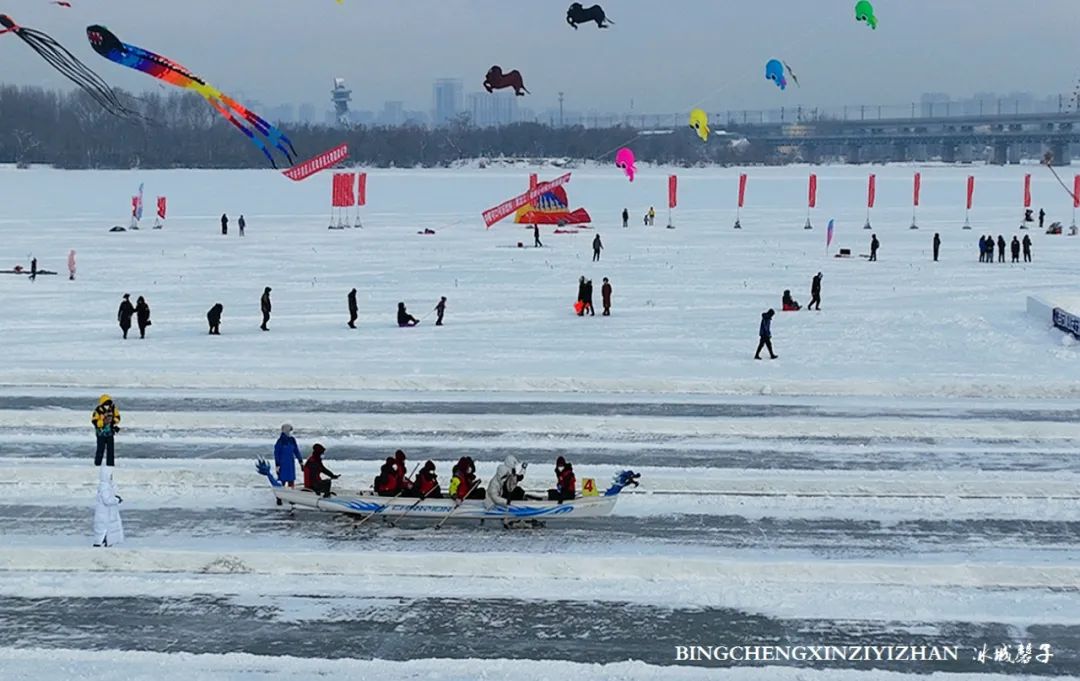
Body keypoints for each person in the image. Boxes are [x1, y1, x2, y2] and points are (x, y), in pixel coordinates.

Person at [93, 464, 124, 547]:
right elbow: (107, 500)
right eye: (110, 476)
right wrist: (117, 500)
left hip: (105, 513)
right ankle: (100, 543)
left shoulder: (106, 486)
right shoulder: (104, 487)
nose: (111, 478)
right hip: (104, 514)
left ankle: (104, 542)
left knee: (105, 529)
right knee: (104, 529)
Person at [273, 423, 303, 505]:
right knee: (282, 481)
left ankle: (291, 497)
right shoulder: (280, 442)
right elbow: (276, 454)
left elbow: (296, 451)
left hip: (290, 464)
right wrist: (277, 465)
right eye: (290, 430)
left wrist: (300, 461)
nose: (291, 432)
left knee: (291, 481)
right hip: (282, 464)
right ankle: (279, 498)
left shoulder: (292, 440)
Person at [91, 394, 121, 466]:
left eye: (108, 403)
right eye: (105, 403)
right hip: (101, 434)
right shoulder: (98, 410)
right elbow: (94, 421)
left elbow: (118, 417)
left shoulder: (113, 408)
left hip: (110, 433)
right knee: (100, 450)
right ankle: (97, 464)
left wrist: (113, 422)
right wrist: (102, 423)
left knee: (110, 451)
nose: (107, 405)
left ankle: (110, 465)